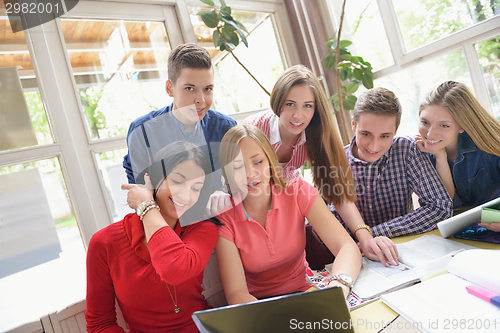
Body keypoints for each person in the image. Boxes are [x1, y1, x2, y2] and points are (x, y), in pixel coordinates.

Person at [243, 65, 397, 265]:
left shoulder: (316, 132)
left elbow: (337, 191)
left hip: (287, 199)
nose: (299, 115)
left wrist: (366, 238)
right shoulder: (255, 130)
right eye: (291, 104)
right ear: (278, 102)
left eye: (307, 106)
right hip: (251, 200)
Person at [215, 124, 362, 306]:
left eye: (257, 162)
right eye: (237, 166)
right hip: (259, 305)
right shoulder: (224, 217)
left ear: (269, 160)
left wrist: (338, 291)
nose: (250, 174)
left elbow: (347, 247)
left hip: (308, 290)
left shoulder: (299, 191)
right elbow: (236, 294)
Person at [86, 142, 220, 332]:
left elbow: (174, 269)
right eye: (177, 181)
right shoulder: (104, 243)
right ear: (152, 179)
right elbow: (100, 324)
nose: (185, 195)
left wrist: (147, 205)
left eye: (196, 188)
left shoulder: (202, 228)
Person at [122, 43, 236, 216]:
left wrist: (224, 191)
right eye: (189, 88)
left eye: (208, 89)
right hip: (165, 222)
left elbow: (241, 179)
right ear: (170, 88)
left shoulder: (226, 128)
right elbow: (143, 194)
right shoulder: (142, 132)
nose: (201, 100)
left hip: (215, 219)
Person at [329, 87, 453, 240]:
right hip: (353, 251)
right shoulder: (333, 162)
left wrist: (372, 235)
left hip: (402, 247)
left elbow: (440, 207)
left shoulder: (406, 150)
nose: (374, 146)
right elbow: (327, 225)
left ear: (395, 131)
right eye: (366, 134)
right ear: (354, 124)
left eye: (384, 136)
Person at [416, 81, 500, 232]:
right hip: (470, 232)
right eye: (425, 122)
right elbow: (446, 208)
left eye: (444, 125)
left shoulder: (488, 144)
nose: (430, 134)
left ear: (462, 126)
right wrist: (440, 157)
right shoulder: (423, 154)